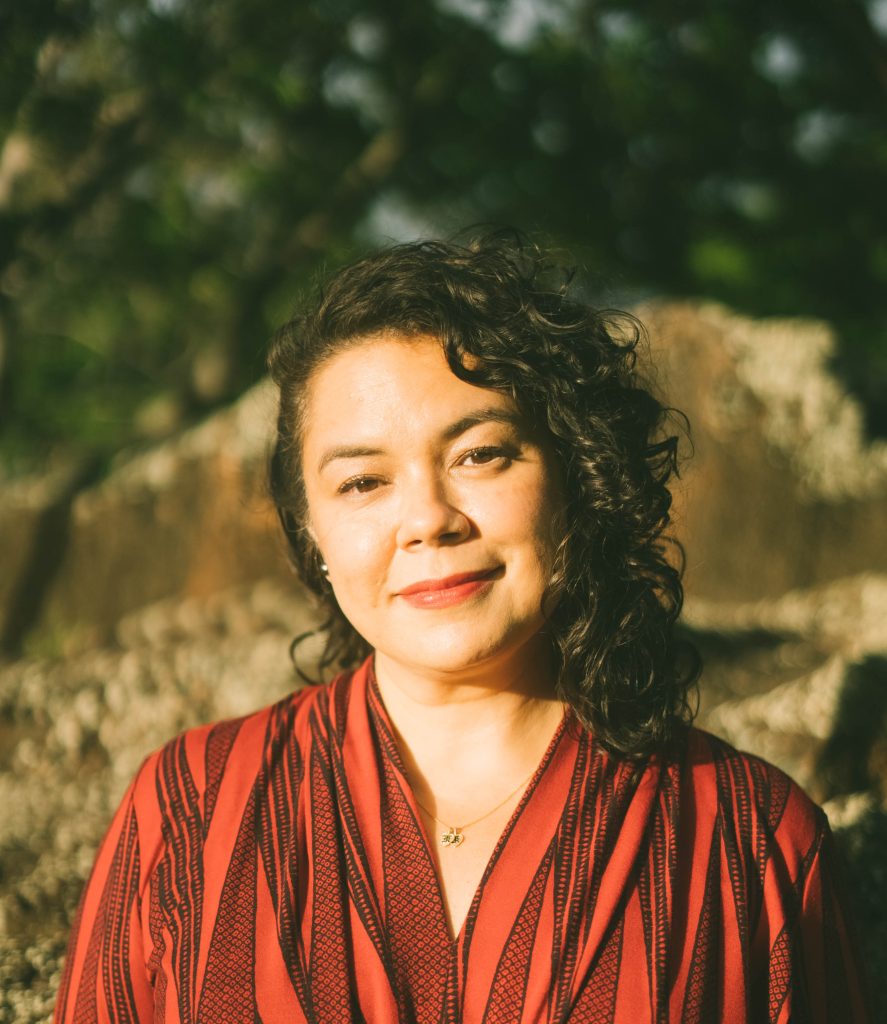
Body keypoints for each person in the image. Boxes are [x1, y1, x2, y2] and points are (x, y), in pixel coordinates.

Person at [55, 231, 869, 1022]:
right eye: (363, 482)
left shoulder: (744, 839)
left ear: (577, 476)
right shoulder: (192, 810)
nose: (428, 520)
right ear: (310, 531)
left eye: (479, 455)